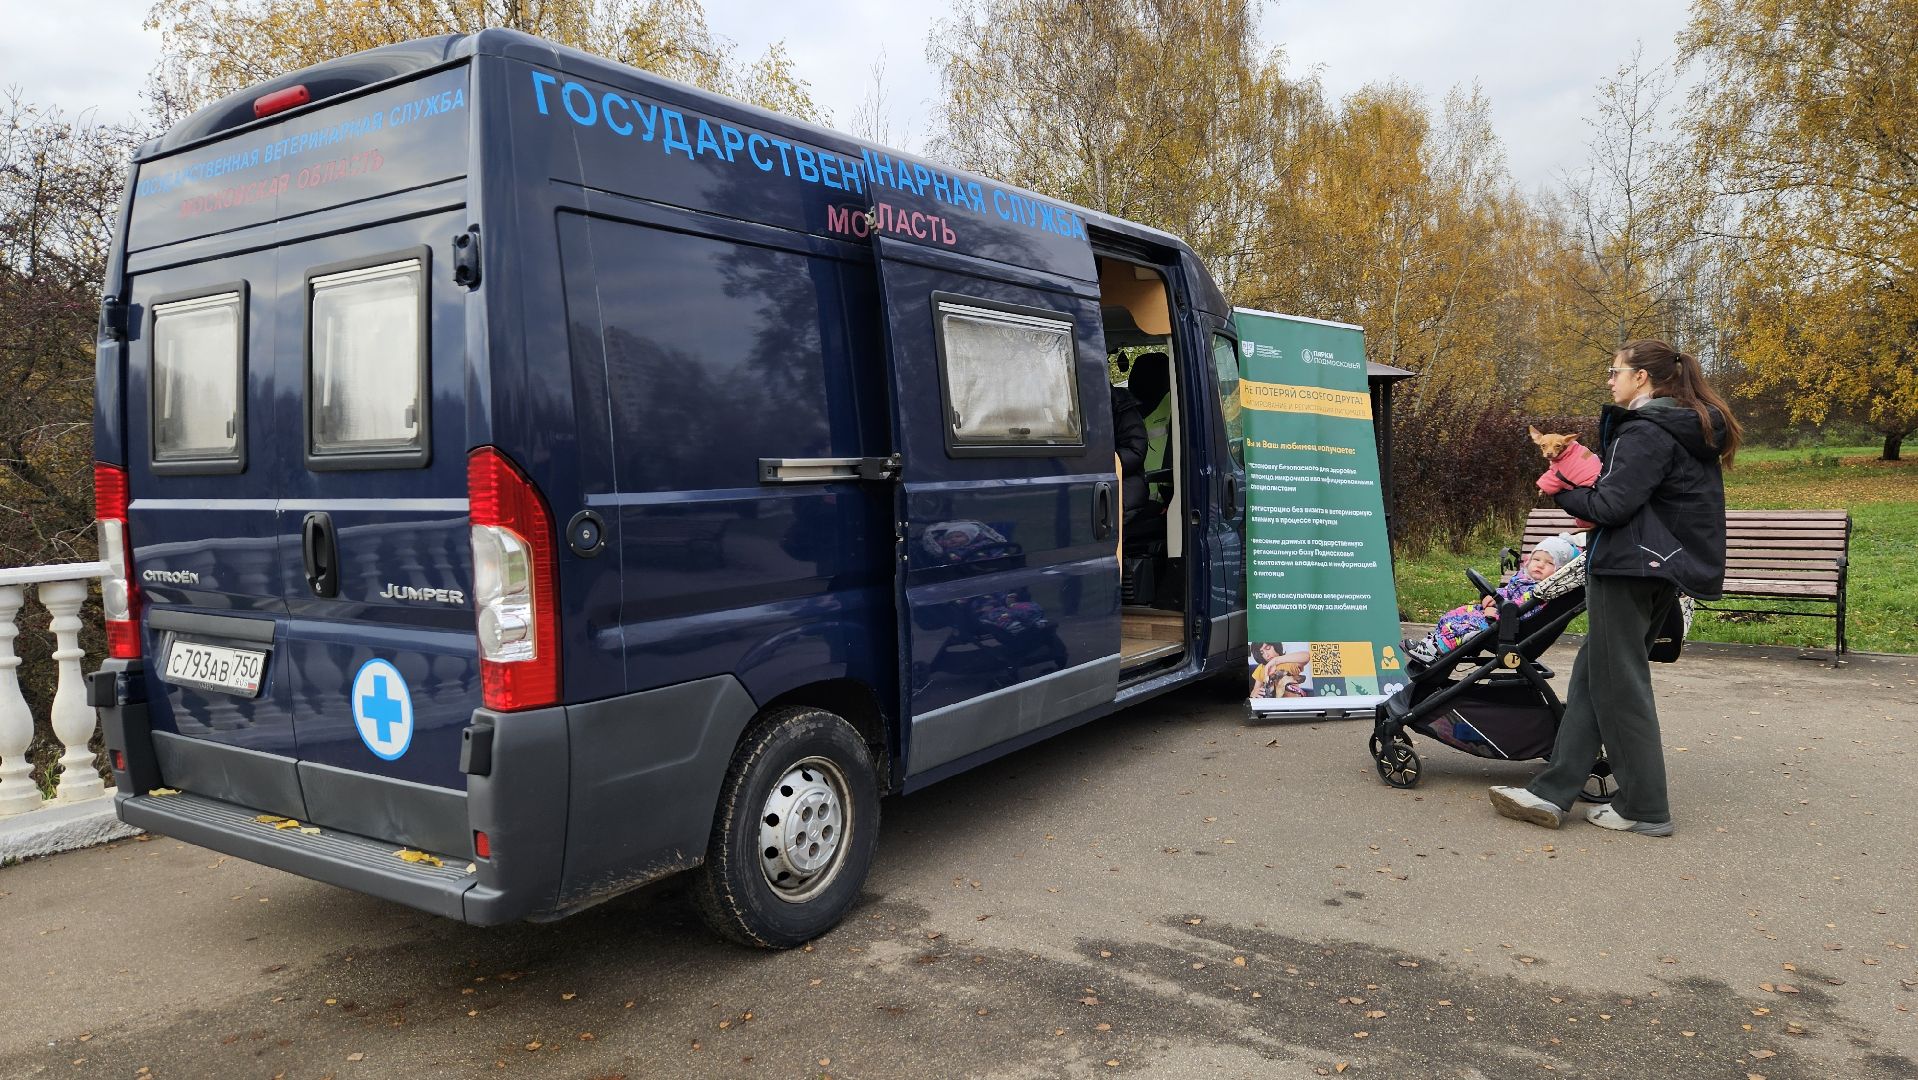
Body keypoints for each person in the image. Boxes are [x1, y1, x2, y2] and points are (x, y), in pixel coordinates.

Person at [1489, 340, 1741, 837]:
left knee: (1619, 684)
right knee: (1594, 676)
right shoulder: (1687, 425)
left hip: (1629, 566)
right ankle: (1551, 792)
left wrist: (1563, 489)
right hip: (1656, 565)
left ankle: (1644, 806)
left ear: (1642, 378)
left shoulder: (1647, 430)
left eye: (1615, 371)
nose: (1610, 379)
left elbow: (1610, 506)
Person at [1400, 534, 1579, 665]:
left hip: (1508, 624)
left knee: (1464, 626)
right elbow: (1508, 591)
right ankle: (1430, 644)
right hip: (1502, 613)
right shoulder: (1523, 578)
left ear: (1558, 570)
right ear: (1528, 561)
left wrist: (1498, 608)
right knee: (1457, 613)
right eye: (1537, 559)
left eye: (1548, 563)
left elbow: (1523, 606)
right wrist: (1491, 597)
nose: (1540, 564)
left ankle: (1437, 650)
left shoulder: (1541, 591)